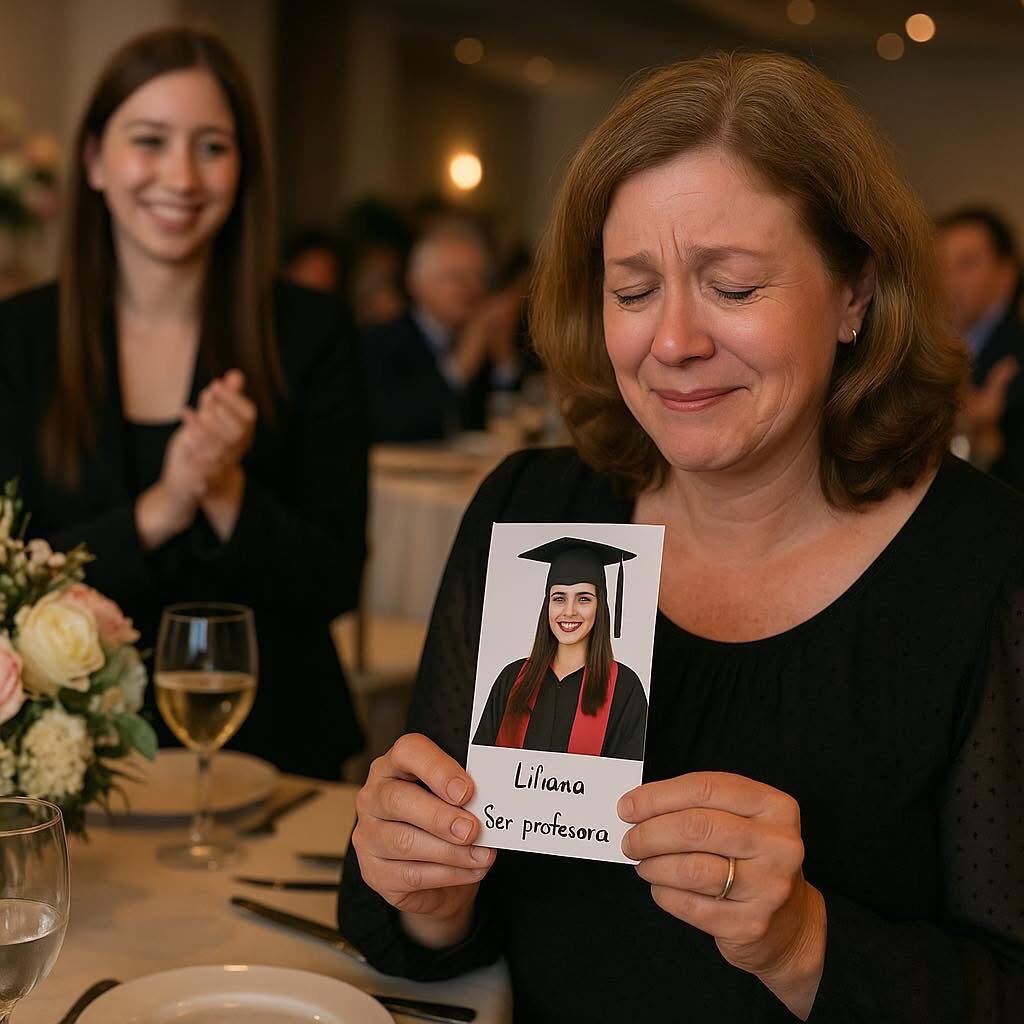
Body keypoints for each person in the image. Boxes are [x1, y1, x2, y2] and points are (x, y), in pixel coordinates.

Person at [337, 51, 1024, 1022]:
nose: (671, 341)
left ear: (855, 294)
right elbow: (431, 924)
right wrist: (428, 891)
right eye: (631, 290)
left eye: (732, 286)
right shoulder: (536, 512)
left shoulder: (985, 570)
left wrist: (801, 943)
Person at [0, 27, 368, 780]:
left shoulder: (310, 332)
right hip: (71, 761)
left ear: (242, 170)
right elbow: (10, 581)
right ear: (96, 161)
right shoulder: (18, 338)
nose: (182, 176)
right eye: (149, 140)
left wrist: (228, 489)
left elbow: (334, 583)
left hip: (279, 757)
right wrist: (162, 509)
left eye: (211, 147)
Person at [472, 538, 647, 760]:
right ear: (547, 605)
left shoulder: (625, 687)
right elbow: (482, 765)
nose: (569, 611)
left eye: (583, 599)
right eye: (559, 599)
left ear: (600, 606)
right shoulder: (512, 678)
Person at [360, 224, 520, 442]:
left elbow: (514, 420)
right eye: (457, 277)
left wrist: (504, 359)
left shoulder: (486, 337)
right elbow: (395, 425)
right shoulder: (378, 343)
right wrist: (460, 366)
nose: (471, 287)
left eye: (479, 277)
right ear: (417, 284)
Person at [937, 208, 1024, 486]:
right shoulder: (936, 351)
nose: (947, 281)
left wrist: (986, 435)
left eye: (966, 264)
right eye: (939, 266)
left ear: (1006, 275)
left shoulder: (1015, 358)